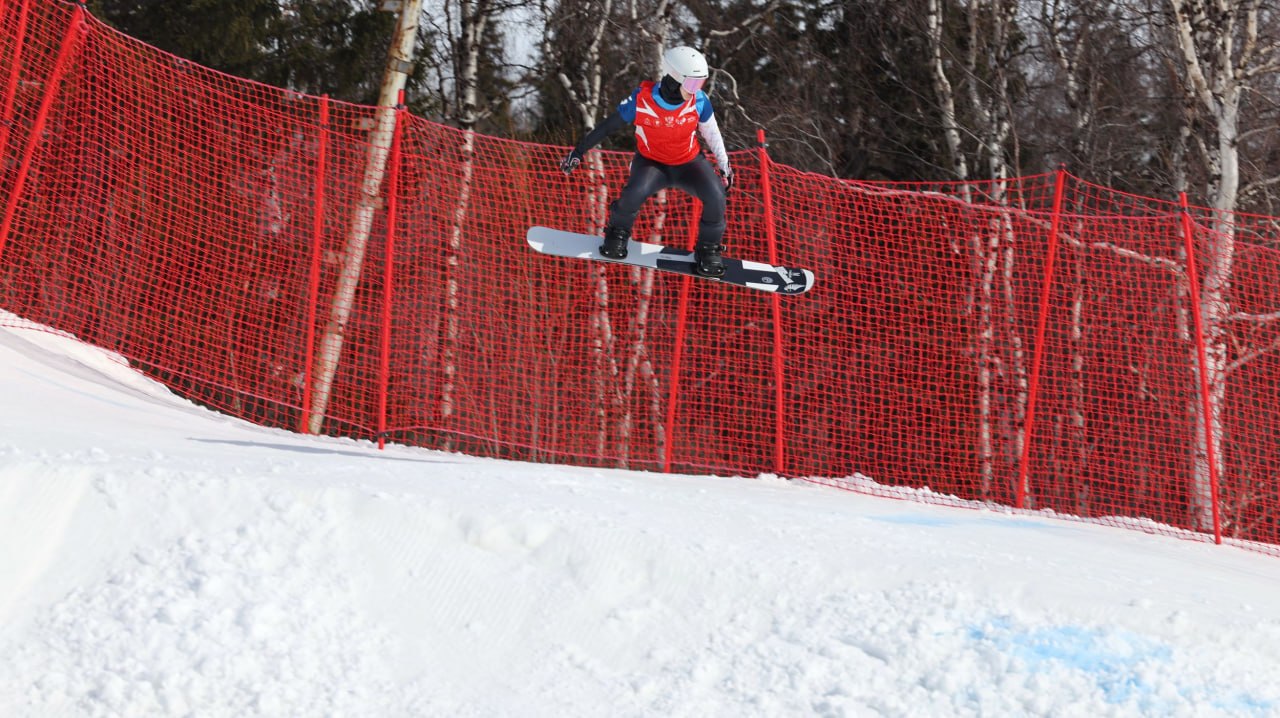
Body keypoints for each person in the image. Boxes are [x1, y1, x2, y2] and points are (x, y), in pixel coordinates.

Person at [560, 46, 734, 277]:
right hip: (653, 164)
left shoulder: (699, 101)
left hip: (689, 164)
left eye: (700, 83)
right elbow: (606, 127)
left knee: (716, 196)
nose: (696, 90)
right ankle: (617, 234)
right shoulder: (642, 100)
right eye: (693, 84)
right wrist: (578, 152)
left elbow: (712, 134)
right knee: (634, 193)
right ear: (674, 78)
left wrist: (724, 166)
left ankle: (708, 250)